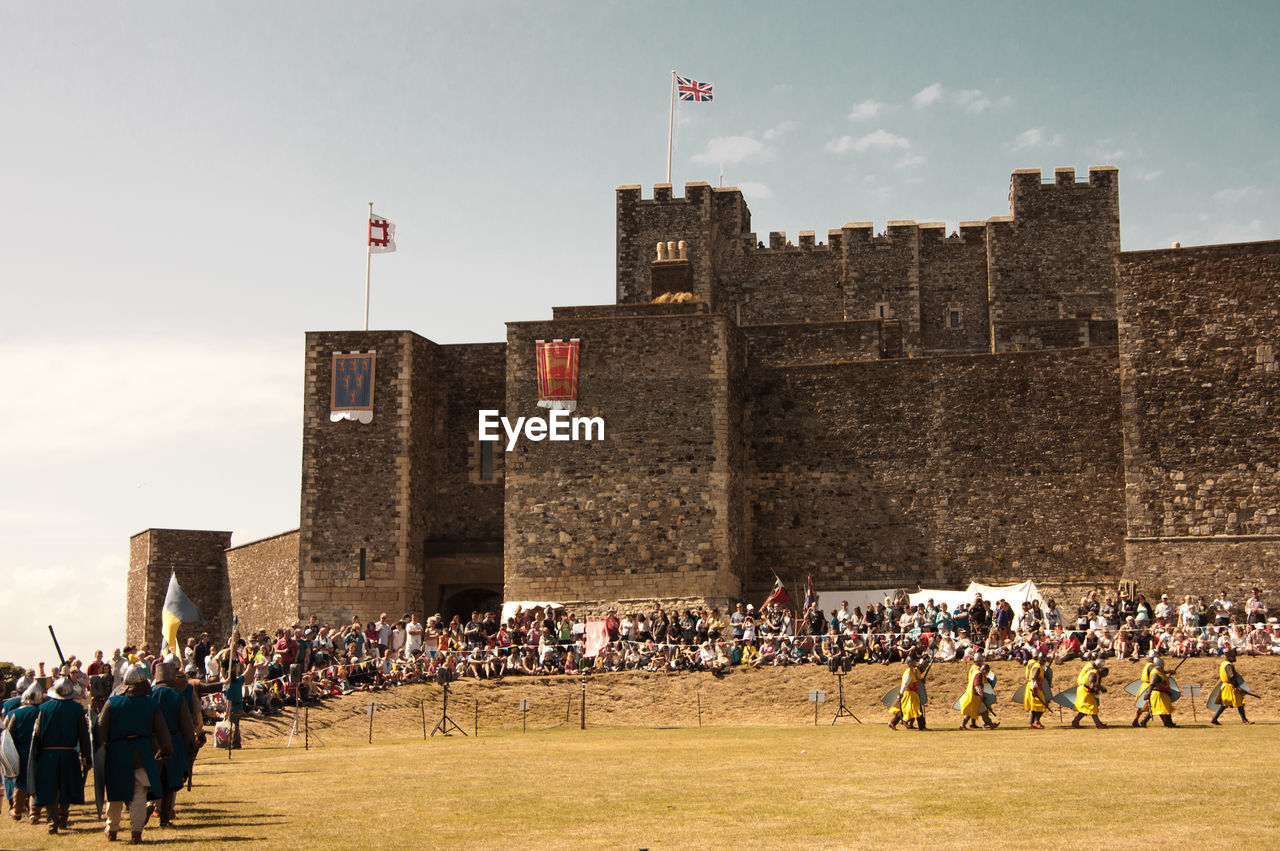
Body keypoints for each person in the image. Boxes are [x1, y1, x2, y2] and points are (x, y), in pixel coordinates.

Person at [97, 665, 173, 843]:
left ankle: (112, 828)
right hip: (142, 752)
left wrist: (100, 747)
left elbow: (100, 730)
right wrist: (166, 750)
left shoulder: (113, 702)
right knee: (138, 793)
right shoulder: (150, 703)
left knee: (116, 792)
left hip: (117, 752)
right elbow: (162, 732)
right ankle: (136, 832)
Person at [30, 676, 91, 834]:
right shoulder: (77, 709)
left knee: (50, 789)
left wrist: (36, 755)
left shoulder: (44, 708)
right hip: (68, 754)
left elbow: (36, 735)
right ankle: (62, 818)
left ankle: (53, 821)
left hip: (48, 755)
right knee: (66, 787)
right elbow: (83, 736)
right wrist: (87, 755)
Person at [152, 662, 198, 827]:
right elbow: (186, 724)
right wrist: (192, 744)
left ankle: (149, 805)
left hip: (152, 743)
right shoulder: (177, 696)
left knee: (152, 779)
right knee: (169, 783)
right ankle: (164, 819)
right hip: (173, 742)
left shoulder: (148, 695)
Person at [2, 683, 43, 822]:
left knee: (21, 782)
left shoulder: (14, 713)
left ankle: (17, 811)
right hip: (38, 749)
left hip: (19, 751)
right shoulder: (42, 711)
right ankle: (34, 813)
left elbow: (7, 735)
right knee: (36, 781)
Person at [888, 649, 928, 731]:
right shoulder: (908, 673)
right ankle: (921, 726)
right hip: (909, 694)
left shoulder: (912, 671)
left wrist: (921, 680)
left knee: (911, 710)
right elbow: (904, 684)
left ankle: (893, 722)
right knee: (913, 710)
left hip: (912, 694)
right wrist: (901, 693)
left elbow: (915, 680)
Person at [1212, 648, 1253, 725]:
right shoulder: (1228, 665)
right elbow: (1231, 676)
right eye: (1234, 656)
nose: (1235, 658)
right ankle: (1244, 720)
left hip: (1225, 686)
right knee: (1239, 702)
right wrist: (1237, 686)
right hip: (1230, 686)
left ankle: (1214, 718)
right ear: (1230, 657)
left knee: (1225, 704)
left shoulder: (1223, 664)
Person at [958, 654, 997, 730]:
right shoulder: (978, 673)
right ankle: (990, 724)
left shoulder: (975, 670)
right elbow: (977, 685)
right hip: (975, 695)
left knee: (974, 711)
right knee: (981, 711)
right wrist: (981, 694)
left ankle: (964, 725)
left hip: (973, 694)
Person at [1071, 660, 1109, 728]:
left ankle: (1075, 721)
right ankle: (1098, 724)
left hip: (1084, 690)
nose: (1105, 675)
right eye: (1105, 674)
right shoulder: (1094, 673)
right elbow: (1092, 684)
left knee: (1086, 708)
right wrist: (1101, 688)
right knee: (1092, 707)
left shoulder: (1096, 673)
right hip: (1085, 690)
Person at [1147, 657, 1177, 728]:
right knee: (1162, 710)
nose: (1163, 666)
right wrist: (1148, 693)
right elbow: (1152, 684)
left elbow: (1163, 672)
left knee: (1166, 710)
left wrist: (1169, 671)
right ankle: (1168, 723)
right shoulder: (1155, 673)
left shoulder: (1159, 671)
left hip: (1163, 693)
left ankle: (1169, 723)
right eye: (1162, 664)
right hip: (1158, 694)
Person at [1023, 651, 1049, 729]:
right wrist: (1034, 689)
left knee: (1035, 707)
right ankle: (1036, 722)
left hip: (1036, 687)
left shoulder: (1039, 666)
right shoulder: (1037, 666)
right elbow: (1034, 678)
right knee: (1042, 705)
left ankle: (1031, 723)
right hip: (1034, 687)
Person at [1132, 653, 1157, 727]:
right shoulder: (1151, 666)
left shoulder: (1147, 665)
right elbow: (1156, 674)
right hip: (1148, 687)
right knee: (1153, 706)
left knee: (1142, 706)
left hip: (1144, 686)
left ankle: (1136, 720)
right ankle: (1142, 721)